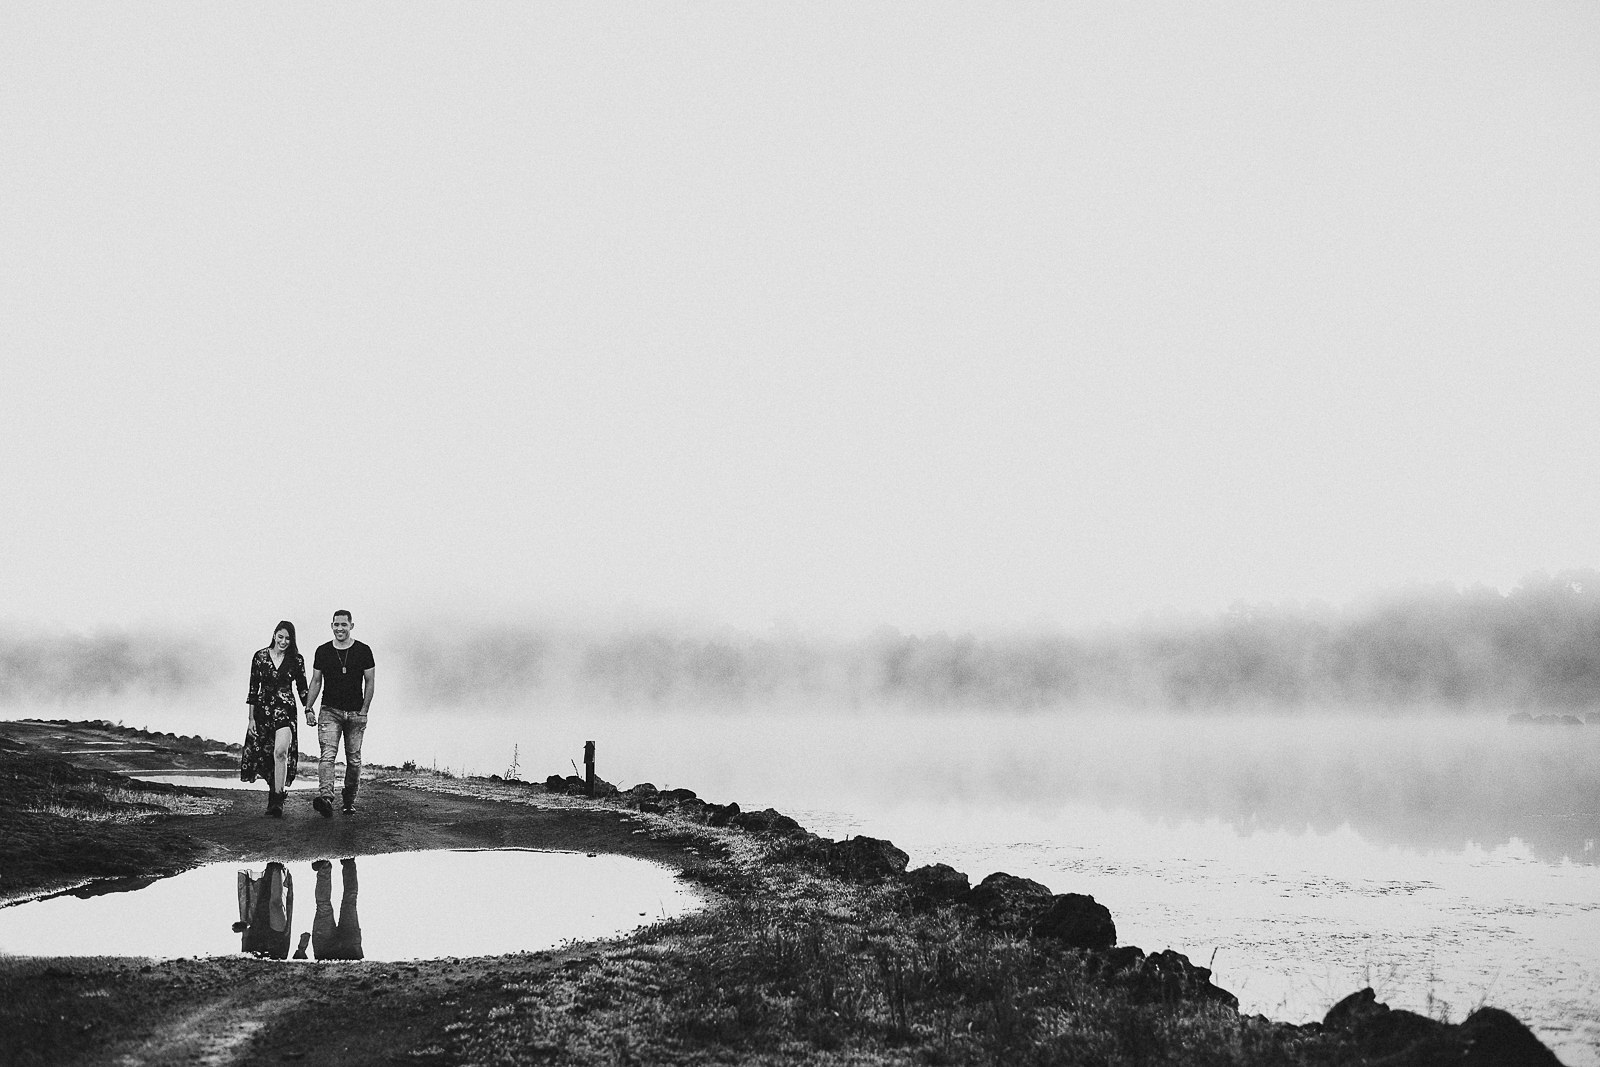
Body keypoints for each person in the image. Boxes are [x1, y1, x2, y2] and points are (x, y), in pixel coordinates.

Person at [304, 609, 376, 818]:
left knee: (353, 760)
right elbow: (316, 681)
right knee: (328, 756)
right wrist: (309, 708)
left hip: (355, 713)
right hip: (329, 711)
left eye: (344, 624)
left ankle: (349, 800)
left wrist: (364, 710)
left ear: (351, 626)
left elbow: (370, 682)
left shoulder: (363, 650)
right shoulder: (323, 651)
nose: (339, 628)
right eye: (336, 624)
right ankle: (326, 798)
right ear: (332, 626)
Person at [240, 620, 310, 817]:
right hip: (263, 711)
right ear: (274, 635)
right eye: (281, 637)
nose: (284, 641)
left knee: (280, 752)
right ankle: (273, 792)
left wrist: (309, 709)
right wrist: (251, 719)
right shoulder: (260, 657)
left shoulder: (296, 659)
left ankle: (278, 799)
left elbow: (302, 688)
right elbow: (253, 689)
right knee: (265, 755)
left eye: (288, 638)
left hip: (286, 710)